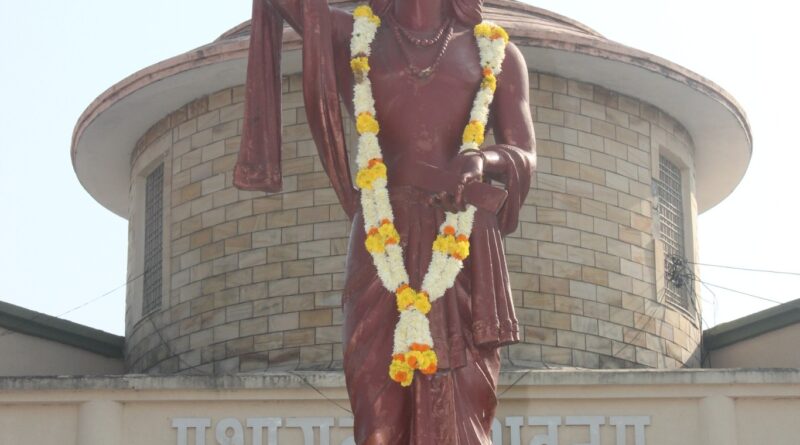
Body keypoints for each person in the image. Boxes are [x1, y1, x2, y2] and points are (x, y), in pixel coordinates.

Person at [234, 0, 535, 443]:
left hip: (459, 239)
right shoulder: (355, 36)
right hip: (381, 238)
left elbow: (525, 153)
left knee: (463, 419)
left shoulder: (495, 51)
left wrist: (482, 158)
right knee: (377, 421)